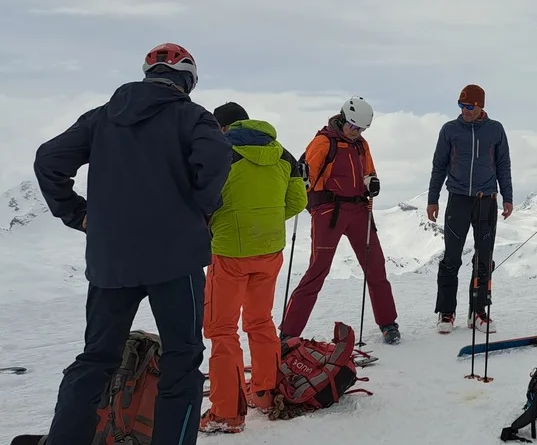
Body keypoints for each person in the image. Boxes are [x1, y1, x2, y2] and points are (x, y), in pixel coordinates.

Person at [31, 43, 231, 445]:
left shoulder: (102, 118)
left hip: (111, 261)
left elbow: (48, 159)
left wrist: (78, 214)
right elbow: (216, 158)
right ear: (188, 80)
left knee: (96, 360)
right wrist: (201, 209)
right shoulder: (193, 117)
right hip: (175, 261)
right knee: (182, 360)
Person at [198, 102, 308, 433]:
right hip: (271, 249)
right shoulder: (282, 153)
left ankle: (226, 412)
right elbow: (299, 202)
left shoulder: (220, 151)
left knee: (222, 329)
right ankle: (265, 393)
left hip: (230, 251)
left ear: (222, 127)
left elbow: (203, 200)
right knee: (260, 322)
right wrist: (268, 220)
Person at [278, 96, 401, 345]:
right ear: (344, 119)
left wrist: (372, 182)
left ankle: (388, 323)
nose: (356, 132)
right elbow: (307, 177)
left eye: (361, 129)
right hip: (329, 212)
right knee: (317, 271)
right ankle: (289, 333)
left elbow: (369, 171)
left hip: (359, 211)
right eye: (353, 127)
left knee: (376, 267)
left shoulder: (361, 145)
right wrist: (304, 186)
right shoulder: (323, 142)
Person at [427, 84, 514, 335]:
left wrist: (507, 197)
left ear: (480, 106)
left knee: (484, 258)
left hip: (487, 200)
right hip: (458, 199)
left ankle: (478, 312)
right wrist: (433, 199)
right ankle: (446, 312)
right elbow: (438, 166)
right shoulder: (450, 130)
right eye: (461, 106)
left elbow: (503, 165)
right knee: (451, 257)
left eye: (469, 106)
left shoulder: (495, 130)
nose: (465, 110)